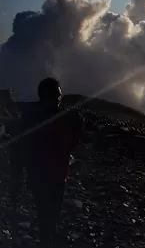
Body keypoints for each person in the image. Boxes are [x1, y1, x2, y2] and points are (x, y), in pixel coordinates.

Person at [18, 78, 84, 248]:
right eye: (58, 94)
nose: (59, 98)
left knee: (45, 215)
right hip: (55, 176)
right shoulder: (66, 118)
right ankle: (48, 240)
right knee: (51, 215)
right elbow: (75, 136)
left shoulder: (30, 117)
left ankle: (46, 239)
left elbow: (22, 145)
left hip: (41, 175)